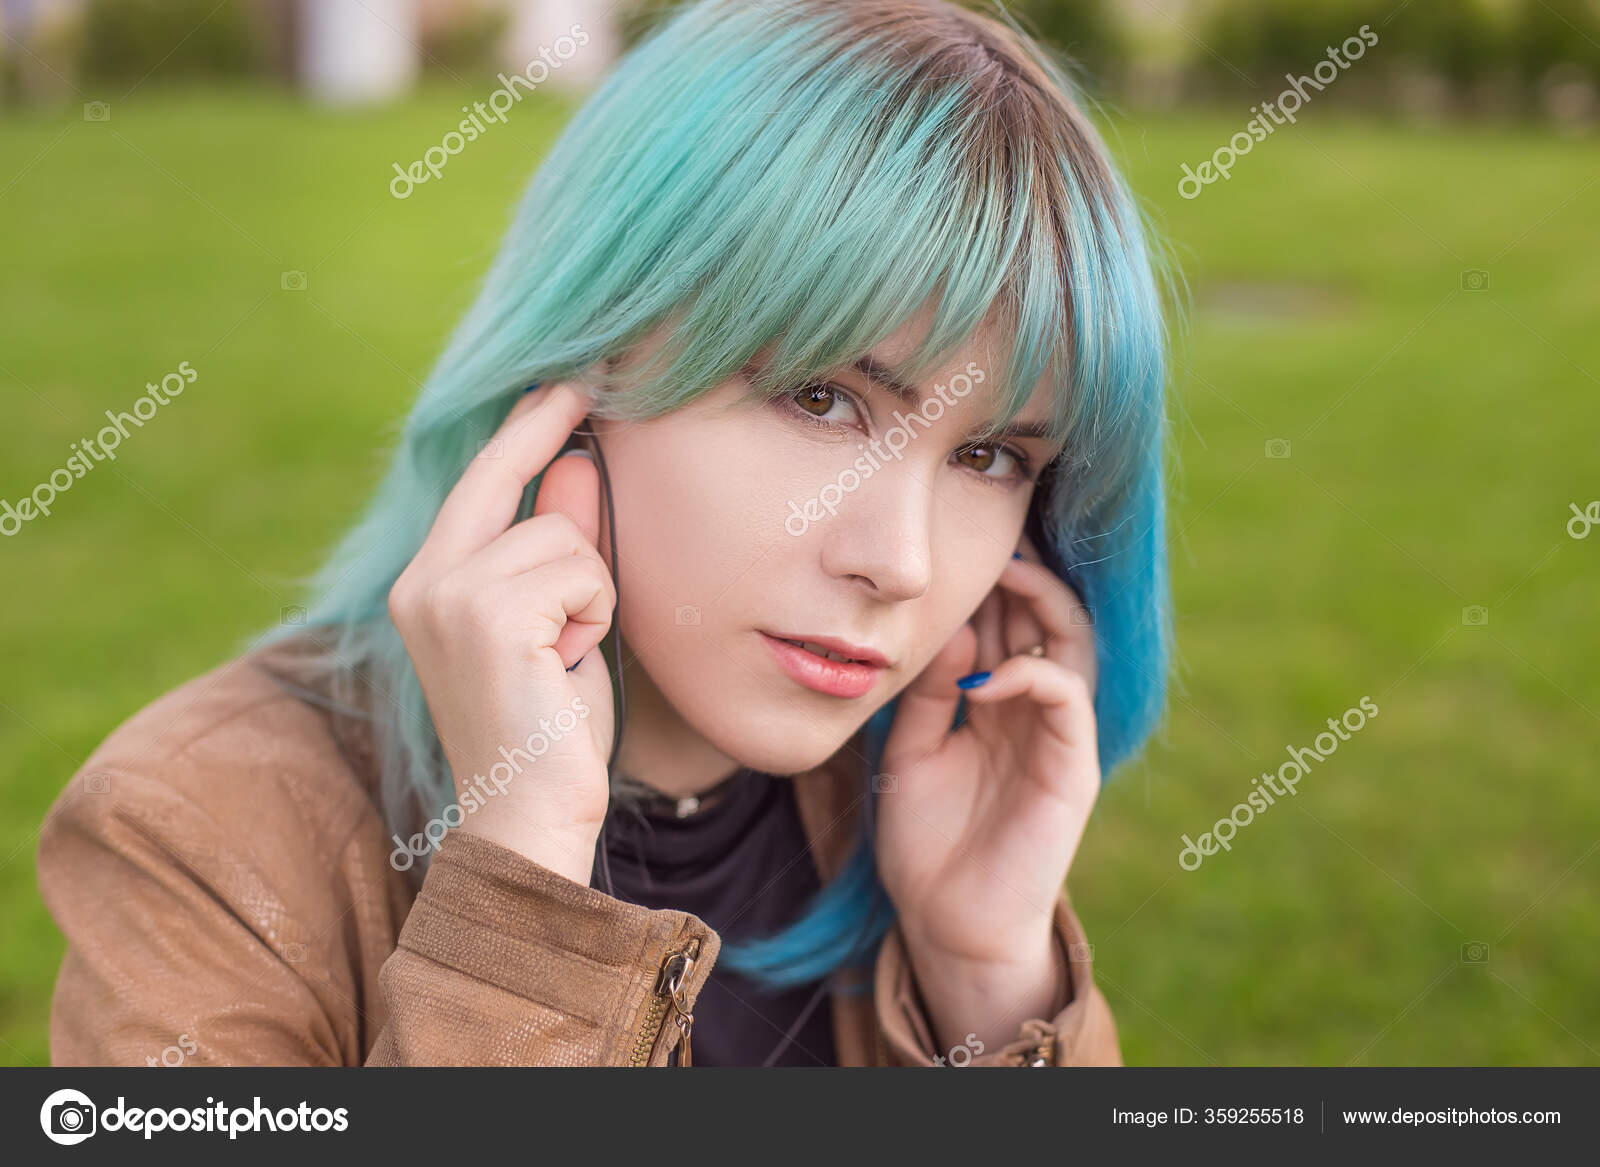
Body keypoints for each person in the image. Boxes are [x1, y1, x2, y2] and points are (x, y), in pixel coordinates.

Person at [39, 0, 1171, 1067]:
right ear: (579, 371)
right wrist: (521, 873)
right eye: (823, 400)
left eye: (990, 456)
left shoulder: (916, 802)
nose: (902, 564)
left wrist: (985, 979)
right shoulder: (200, 832)